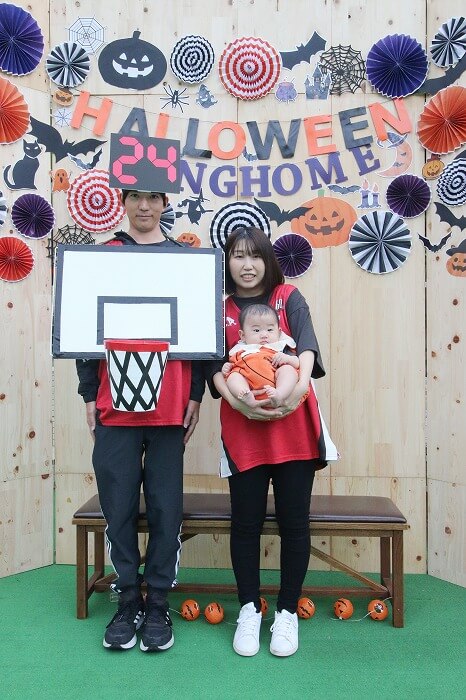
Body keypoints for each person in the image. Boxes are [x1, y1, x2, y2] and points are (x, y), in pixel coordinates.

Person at [76, 190, 205, 652]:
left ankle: (159, 602)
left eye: (153, 198)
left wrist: (195, 393)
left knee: (167, 507)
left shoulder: (184, 260)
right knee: (119, 505)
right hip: (114, 403)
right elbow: (83, 324)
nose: (144, 206)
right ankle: (128, 597)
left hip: (170, 404)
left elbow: (199, 328)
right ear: (124, 201)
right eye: (136, 197)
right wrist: (88, 392)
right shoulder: (103, 257)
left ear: (165, 203)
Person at [208, 226, 336, 658]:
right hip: (243, 430)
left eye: (255, 256)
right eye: (238, 256)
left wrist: (293, 393)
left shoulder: (288, 297)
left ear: (267, 260)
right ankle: (249, 609)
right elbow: (213, 367)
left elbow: (307, 350)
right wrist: (239, 403)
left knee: (294, 523)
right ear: (227, 262)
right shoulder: (219, 309)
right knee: (245, 523)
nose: (247, 265)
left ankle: (286, 612)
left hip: (294, 428)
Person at [222, 303, 301, 408]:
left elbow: (297, 363)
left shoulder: (281, 346)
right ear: (243, 335)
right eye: (256, 330)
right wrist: (226, 367)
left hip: (275, 383)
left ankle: (280, 395)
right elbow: (232, 365)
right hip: (249, 383)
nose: (264, 335)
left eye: (270, 330)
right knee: (233, 376)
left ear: (279, 332)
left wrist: (287, 359)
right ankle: (245, 395)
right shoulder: (240, 350)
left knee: (289, 371)